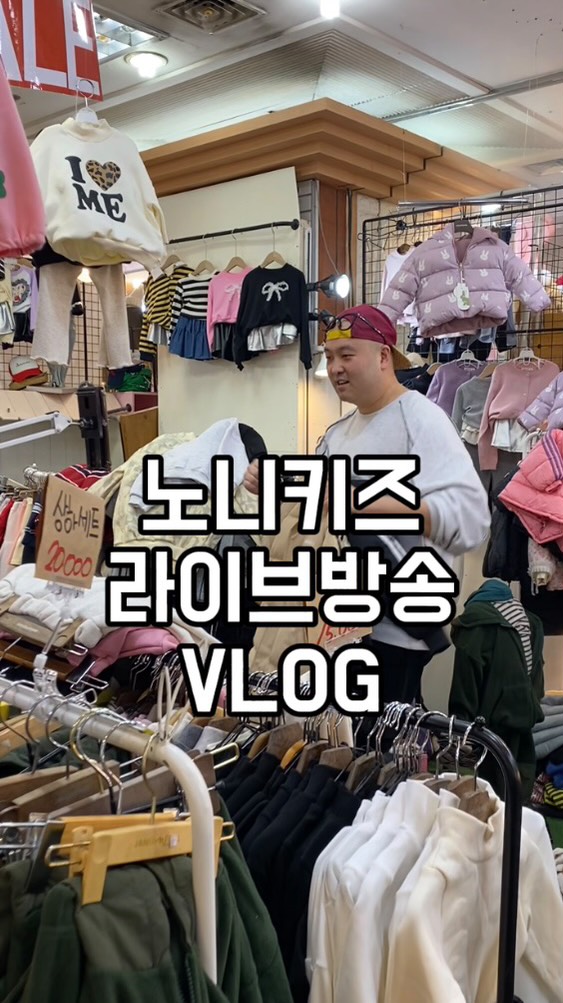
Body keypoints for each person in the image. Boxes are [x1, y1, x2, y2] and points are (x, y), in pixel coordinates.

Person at [244, 305, 490, 705]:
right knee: (335, 734)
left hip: (398, 625)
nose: (335, 368)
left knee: (382, 735)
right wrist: (275, 484)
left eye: (347, 355)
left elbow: (472, 519)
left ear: (383, 356)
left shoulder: (421, 419)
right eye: (329, 357)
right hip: (339, 620)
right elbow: (323, 509)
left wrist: (361, 502)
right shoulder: (337, 433)